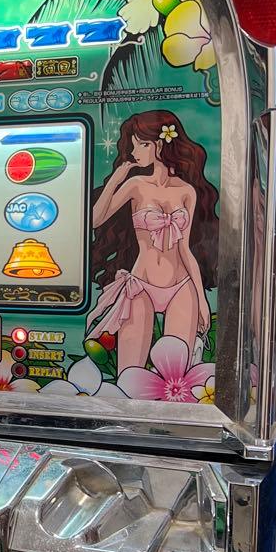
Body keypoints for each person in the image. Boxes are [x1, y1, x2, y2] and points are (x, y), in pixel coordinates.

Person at [88, 109, 219, 371]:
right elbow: (94, 219)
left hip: (181, 285)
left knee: (178, 372)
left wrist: (202, 300)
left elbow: (185, 249)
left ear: (160, 144)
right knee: (129, 371)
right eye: (133, 144)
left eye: (142, 144)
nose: (134, 151)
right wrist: (115, 180)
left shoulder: (187, 191)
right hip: (141, 284)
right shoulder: (135, 184)